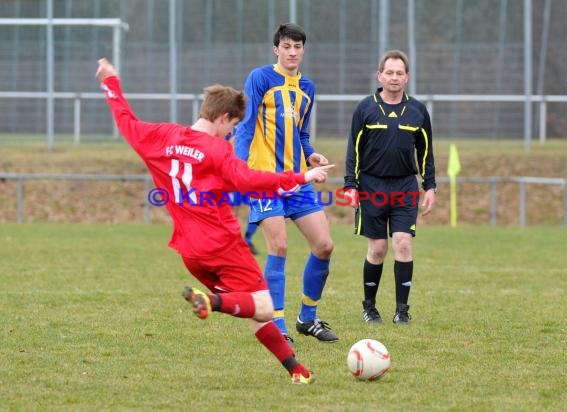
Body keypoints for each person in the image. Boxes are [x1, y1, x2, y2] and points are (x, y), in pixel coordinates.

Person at [96, 58, 335, 384]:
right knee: (264, 306)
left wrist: (111, 82)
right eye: (232, 126)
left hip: (190, 253)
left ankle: (298, 371)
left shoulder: (162, 137)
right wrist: (302, 175)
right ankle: (211, 301)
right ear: (223, 117)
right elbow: (252, 181)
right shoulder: (217, 152)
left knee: (252, 309)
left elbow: (125, 120)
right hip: (223, 246)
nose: (232, 133)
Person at [234, 23, 338, 343]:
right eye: (286, 46)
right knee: (278, 246)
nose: (292, 52)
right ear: (276, 49)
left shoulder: (308, 86)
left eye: (298, 47)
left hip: (298, 180)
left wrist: (311, 155)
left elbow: (301, 133)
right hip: (264, 179)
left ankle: (307, 317)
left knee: (324, 246)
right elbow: (245, 126)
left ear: (303, 50)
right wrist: (236, 169)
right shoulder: (260, 78)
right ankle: (276, 325)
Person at [343, 50, 436, 325]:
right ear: (379, 75)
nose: (394, 78)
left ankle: (402, 311)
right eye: (389, 73)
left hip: (406, 186)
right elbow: (353, 151)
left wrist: (429, 186)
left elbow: (426, 152)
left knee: (403, 243)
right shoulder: (365, 108)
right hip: (372, 186)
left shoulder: (418, 111)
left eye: (399, 73)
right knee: (378, 249)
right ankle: (369, 308)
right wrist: (351, 185)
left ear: (406, 77)